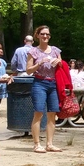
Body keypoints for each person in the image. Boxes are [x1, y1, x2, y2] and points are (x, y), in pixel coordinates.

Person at [25, 25, 64, 153]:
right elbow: (28, 70)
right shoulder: (33, 52)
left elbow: (62, 65)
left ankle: (50, 144)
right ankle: (36, 144)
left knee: (52, 114)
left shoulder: (55, 50)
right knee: (38, 112)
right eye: (42, 34)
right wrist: (39, 63)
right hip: (39, 83)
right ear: (37, 35)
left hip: (53, 84)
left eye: (47, 34)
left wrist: (58, 62)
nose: (45, 36)